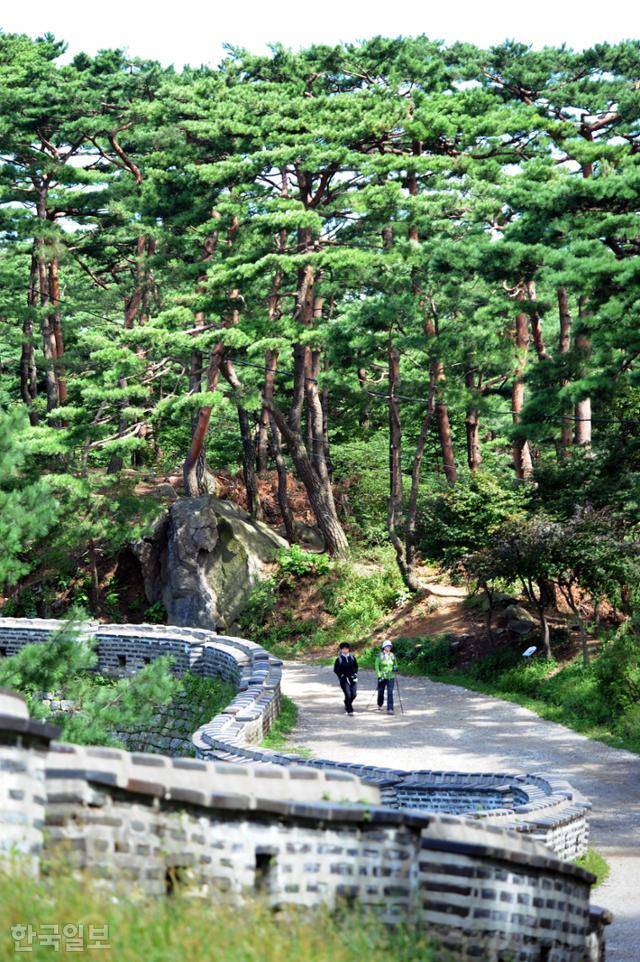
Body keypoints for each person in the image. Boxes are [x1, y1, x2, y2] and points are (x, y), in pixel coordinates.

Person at [333, 642, 358, 715]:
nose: (345, 650)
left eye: (346, 649)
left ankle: (347, 702)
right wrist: (341, 676)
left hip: (352, 678)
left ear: (348, 649)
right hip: (344, 679)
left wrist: (355, 673)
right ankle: (349, 710)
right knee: (348, 694)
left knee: (354, 694)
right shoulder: (339, 659)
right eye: (343, 649)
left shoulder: (352, 657)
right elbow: (336, 669)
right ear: (341, 650)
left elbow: (356, 666)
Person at [375, 640, 398, 714]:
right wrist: (379, 675)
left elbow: (395, 664)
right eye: (387, 646)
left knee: (390, 692)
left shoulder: (392, 655)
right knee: (380, 692)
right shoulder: (380, 655)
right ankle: (380, 704)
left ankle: (390, 708)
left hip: (391, 676)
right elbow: (376, 666)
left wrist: (395, 668)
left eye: (390, 646)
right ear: (383, 647)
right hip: (382, 676)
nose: (388, 647)